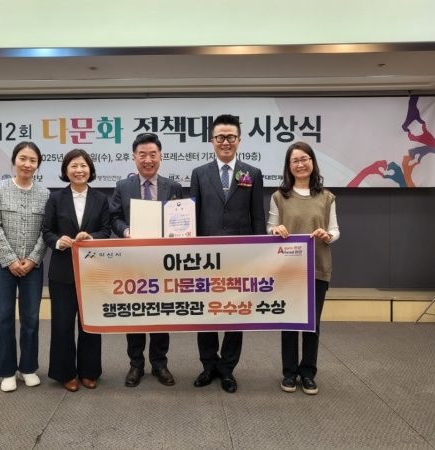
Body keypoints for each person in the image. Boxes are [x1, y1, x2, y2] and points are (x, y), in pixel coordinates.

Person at [190, 114, 265, 393]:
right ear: (212, 140)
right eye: (220, 137)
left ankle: (227, 369)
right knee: (206, 311)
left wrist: (260, 254)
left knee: (236, 311)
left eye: (230, 137)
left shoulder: (252, 173)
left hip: (240, 255)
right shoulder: (199, 173)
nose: (225, 142)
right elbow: (193, 216)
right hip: (206, 255)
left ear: (239, 140)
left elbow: (257, 216)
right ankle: (208, 365)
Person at [110, 133, 183, 388]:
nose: (148, 159)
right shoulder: (123, 186)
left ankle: (160, 364)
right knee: (136, 313)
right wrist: (125, 231)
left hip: (164, 262)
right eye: (142, 154)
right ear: (134, 157)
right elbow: (114, 218)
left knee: (161, 312)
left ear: (160, 156)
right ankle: (136, 364)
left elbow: (180, 218)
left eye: (153, 154)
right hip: (134, 261)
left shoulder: (173, 187)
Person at [268, 141, 340, 395]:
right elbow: (270, 227)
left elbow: (335, 229)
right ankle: (289, 373)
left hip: (317, 266)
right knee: (289, 323)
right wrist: (275, 230)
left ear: (312, 162)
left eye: (304, 159)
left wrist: (328, 236)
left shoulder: (327, 197)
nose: (300, 164)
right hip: (288, 269)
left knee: (312, 325)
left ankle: (308, 373)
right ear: (289, 166)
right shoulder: (279, 197)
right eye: (295, 161)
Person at [42, 149, 111, 392]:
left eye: (83, 165)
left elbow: (106, 230)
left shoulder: (100, 199)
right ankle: (66, 373)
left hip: (92, 271)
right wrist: (58, 241)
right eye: (73, 166)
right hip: (62, 272)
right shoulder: (55, 198)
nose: (79, 170)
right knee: (62, 326)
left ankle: (89, 372)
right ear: (65, 170)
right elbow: (47, 231)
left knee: (90, 324)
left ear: (90, 169)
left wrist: (91, 238)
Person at [0, 141, 50, 392]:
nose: (27, 164)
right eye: (23, 158)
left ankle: (28, 368)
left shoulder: (44, 194)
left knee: (31, 319)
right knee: (3, 319)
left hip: (32, 266)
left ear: (38, 165)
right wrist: (11, 260)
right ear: (14, 160)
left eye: (33, 160)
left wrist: (33, 259)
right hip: (2, 265)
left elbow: (46, 231)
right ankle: (6, 371)